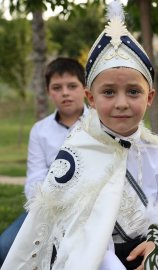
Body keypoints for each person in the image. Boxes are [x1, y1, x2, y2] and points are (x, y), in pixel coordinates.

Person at [2, 2, 158, 270]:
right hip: (95, 258)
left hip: (148, 248)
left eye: (133, 92)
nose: (121, 103)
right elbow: (83, 233)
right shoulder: (78, 153)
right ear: (91, 98)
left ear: (149, 97)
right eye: (108, 92)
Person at [0, 57, 88, 265]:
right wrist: (49, 206)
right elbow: (34, 179)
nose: (65, 92)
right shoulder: (40, 131)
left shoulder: (100, 124)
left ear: (86, 89)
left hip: (88, 208)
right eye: (57, 87)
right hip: (47, 209)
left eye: (72, 86)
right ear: (49, 93)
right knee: (5, 247)